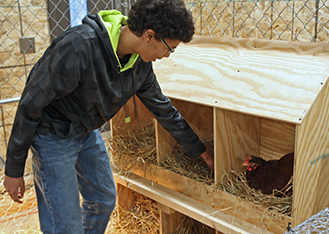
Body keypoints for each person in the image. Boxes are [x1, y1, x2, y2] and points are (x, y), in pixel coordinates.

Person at [4, 0, 214, 233]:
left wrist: (201, 152)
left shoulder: (139, 65)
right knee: (65, 226)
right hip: (53, 134)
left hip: (85, 131)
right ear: (149, 35)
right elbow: (30, 105)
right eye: (169, 48)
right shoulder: (79, 47)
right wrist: (14, 169)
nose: (167, 55)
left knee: (102, 201)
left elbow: (164, 110)